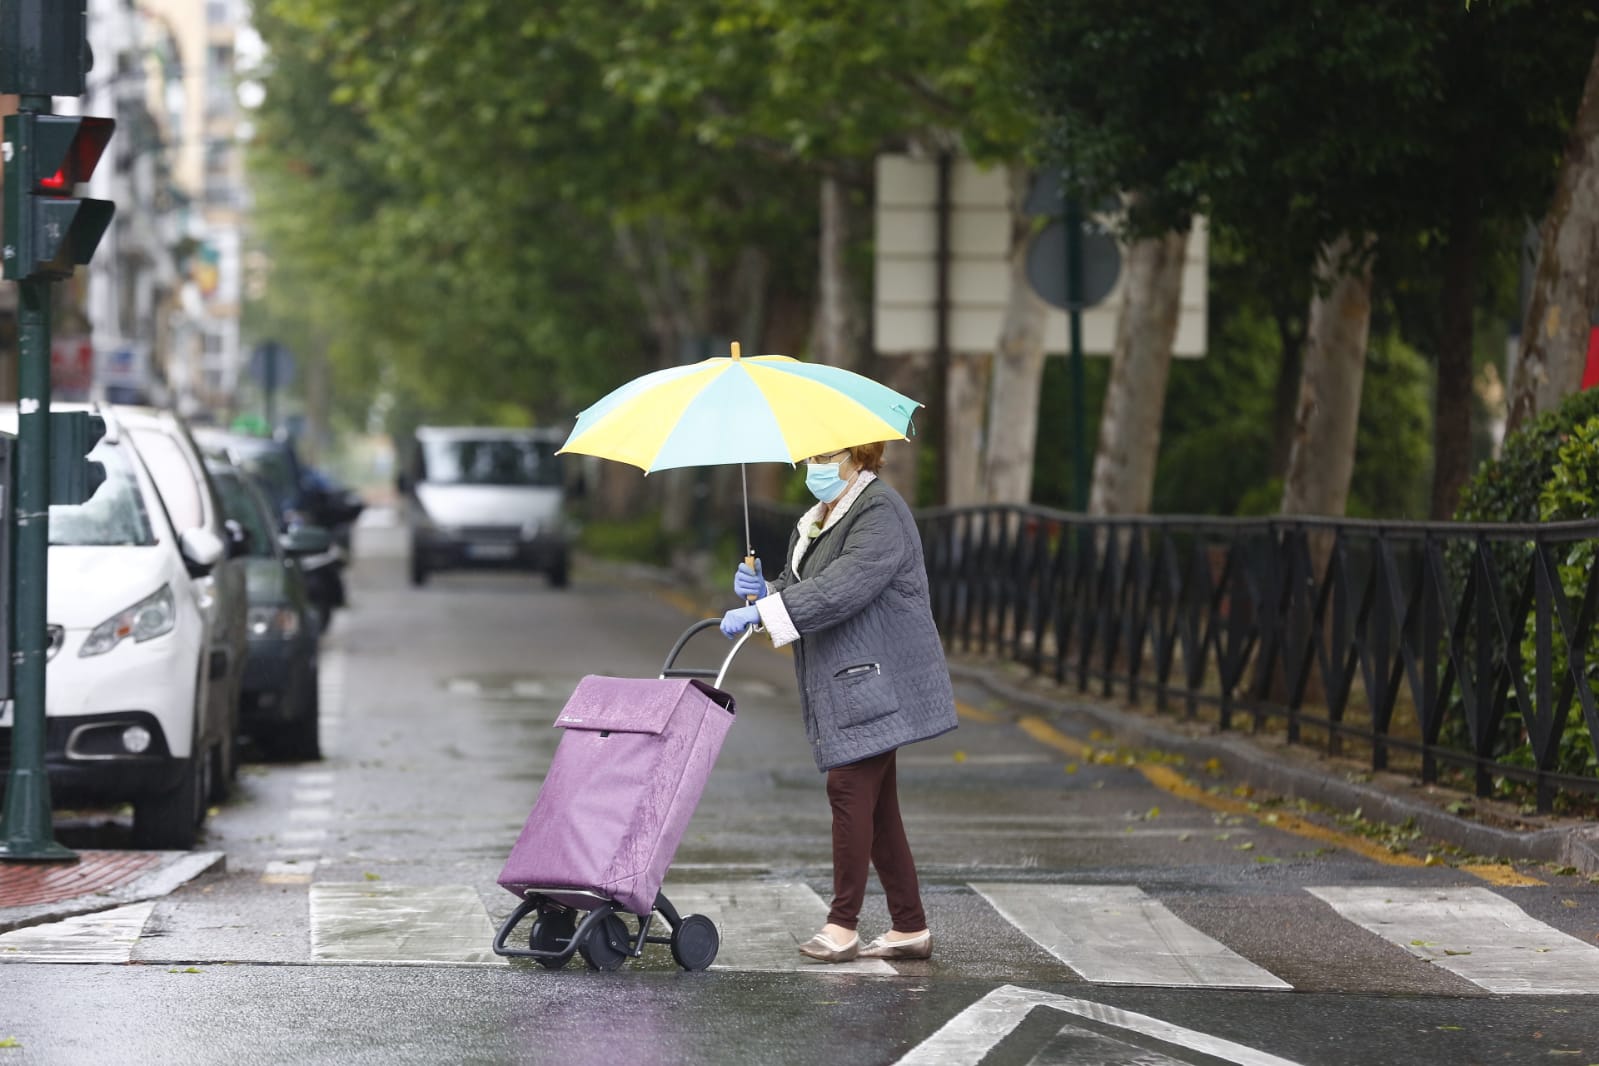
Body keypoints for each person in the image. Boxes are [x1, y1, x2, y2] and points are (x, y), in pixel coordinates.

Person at [720, 441, 957, 963]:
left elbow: (842, 589)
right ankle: (909, 926)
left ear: (859, 455)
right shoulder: (820, 516)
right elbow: (802, 583)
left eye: (827, 458)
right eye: (810, 458)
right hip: (849, 676)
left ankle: (842, 924)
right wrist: (763, 590)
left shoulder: (880, 511)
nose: (815, 468)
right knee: (878, 806)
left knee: (849, 788)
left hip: (877, 676)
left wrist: (765, 613)